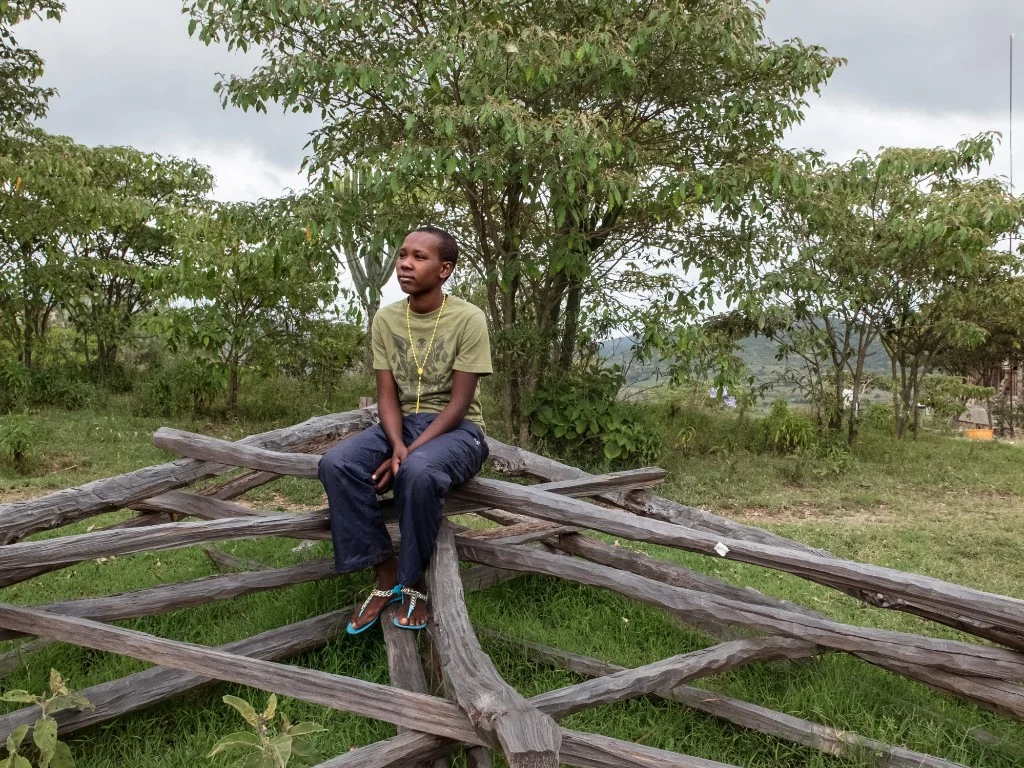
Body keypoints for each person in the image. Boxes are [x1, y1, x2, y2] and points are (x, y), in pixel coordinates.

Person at [318, 225, 492, 633]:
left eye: (419, 257)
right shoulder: (387, 319)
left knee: (418, 472)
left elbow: (459, 403)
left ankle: (414, 583)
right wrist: (396, 443)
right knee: (337, 464)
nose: (405, 264)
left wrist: (408, 455)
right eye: (402, 255)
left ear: (444, 269)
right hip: (402, 426)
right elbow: (386, 396)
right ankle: (385, 574)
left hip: (458, 430)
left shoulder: (468, 318)